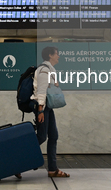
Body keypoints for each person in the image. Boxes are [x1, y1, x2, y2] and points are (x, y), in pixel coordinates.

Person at [32, 46, 69, 178]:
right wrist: (40, 110)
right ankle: (16, 161)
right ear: (50, 55)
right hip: (42, 107)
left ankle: (53, 169)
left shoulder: (50, 70)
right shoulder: (43, 70)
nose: (58, 56)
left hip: (47, 107)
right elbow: (41, 91)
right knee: (41, 137)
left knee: (53, 136)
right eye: (56, 54)